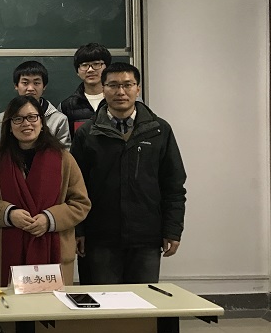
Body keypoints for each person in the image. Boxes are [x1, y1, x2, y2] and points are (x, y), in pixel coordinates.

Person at [70, 63, 187, 284]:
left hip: (146, 237)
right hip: (99, 237)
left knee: (142, 301)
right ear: (103, 88)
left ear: (137, 88)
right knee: (102, 301)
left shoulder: (159, 130)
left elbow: (173, 185)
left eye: (127, 85)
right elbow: (75, 188)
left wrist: (172, 229)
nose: (121, 92)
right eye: (113, 85)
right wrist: (78, 230)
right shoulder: (87, 133)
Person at [0, 96, 90, 286]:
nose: (26, 124)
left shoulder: (64, 159)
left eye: (32, 117)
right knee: (13, 304)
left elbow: (80, 203)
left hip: (55, 250)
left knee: (51, 304)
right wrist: (9, 214)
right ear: (9, 126)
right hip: (11, 249)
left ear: (42, 122)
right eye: (18, 119)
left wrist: (49, 219)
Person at [0, 61, 71, 151]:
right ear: (16, 85)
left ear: (44, 86)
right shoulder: (2, 119)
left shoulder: (59, 120)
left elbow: (63, 154)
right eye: (25, 83)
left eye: (36, 83)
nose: (30, 88)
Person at [60, 43, 112, 138]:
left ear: (107, 68)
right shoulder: (66, 106)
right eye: (84, 65)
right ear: (77, 71)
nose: (90, 70)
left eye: (96, 64)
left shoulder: (120, 99)